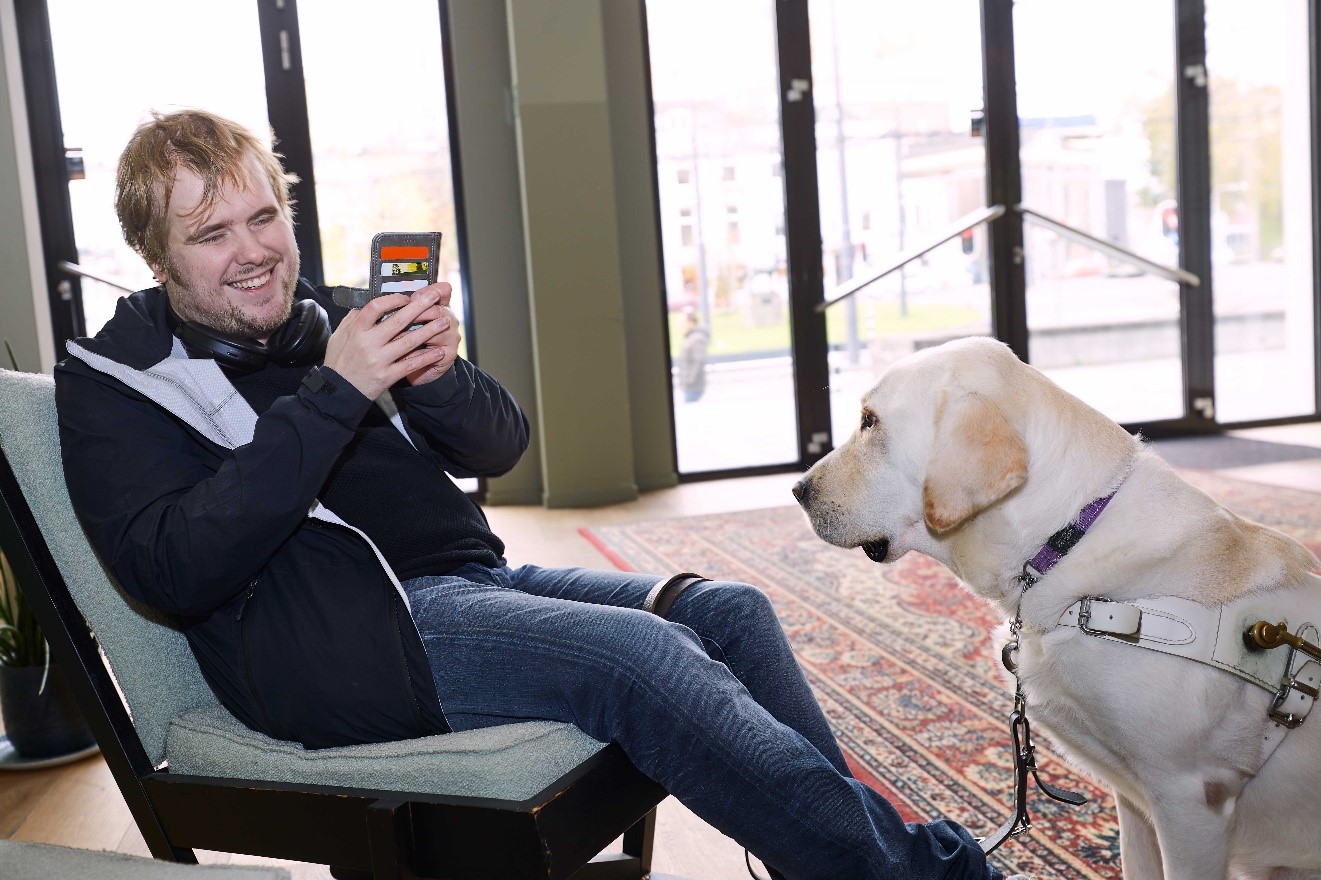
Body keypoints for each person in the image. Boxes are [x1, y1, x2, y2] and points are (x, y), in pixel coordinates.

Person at [55, 109, 1017, 880]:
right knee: (639, 658)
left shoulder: (337, 316)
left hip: (468, 587)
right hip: (341, 648)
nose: (252, 250)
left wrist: (437, 375)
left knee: (730, 611)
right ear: (157, 257)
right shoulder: (117, 383)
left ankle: (839, 866)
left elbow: (500, 446)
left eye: (263, 217)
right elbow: (171, 568)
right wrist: (333, 397)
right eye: (210, 233)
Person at [677, 309, 709, 403]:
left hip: (693, 387)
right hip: (690, 386)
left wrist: (690, 380)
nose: (681, 325)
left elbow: (699, 360)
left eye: (683, 322)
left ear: (690, 322)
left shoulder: (696, 339)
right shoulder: (691, 338)